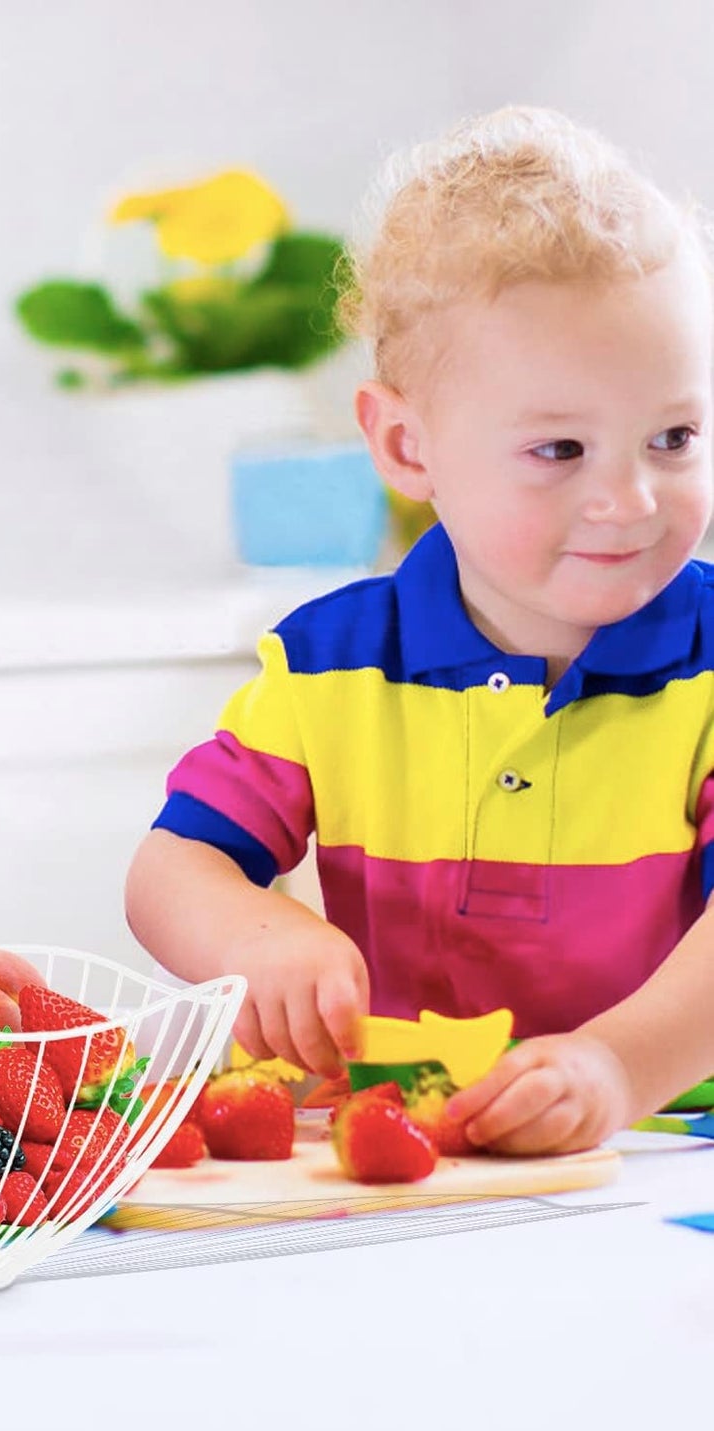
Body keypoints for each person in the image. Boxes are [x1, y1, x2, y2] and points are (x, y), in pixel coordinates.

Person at [125, 106, 714, 1155]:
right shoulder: (324, 664)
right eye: (559, 449)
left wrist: (616, 1065)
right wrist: (259, 936)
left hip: (661, 1157)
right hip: (396, 1156)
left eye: (671, 436)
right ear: (404, 445)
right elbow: (172, 870)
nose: (628, 498)